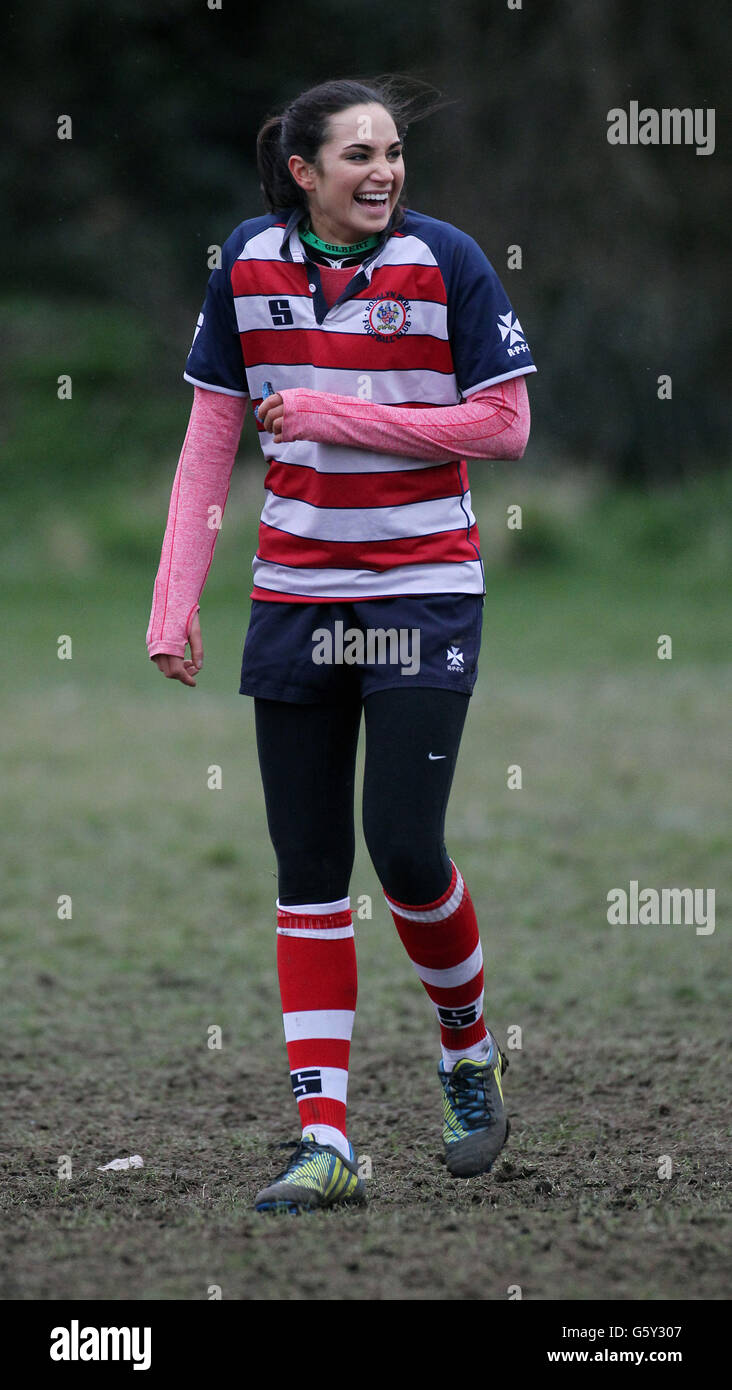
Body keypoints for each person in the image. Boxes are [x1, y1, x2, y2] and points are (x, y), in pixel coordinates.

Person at [146, 76, 536, 1214]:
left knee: (404, 850)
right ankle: (327, 1140)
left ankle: (466, 1049)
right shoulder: (248, 267)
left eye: (394, 152)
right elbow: (211, 437)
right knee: (308, 872)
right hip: (296, 597)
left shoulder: (449, 260)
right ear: (302, 173)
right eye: (358, 154)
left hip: (421, 592)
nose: (385, 171)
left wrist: (332, 412)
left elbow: (503, 425)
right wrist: (176, 598)